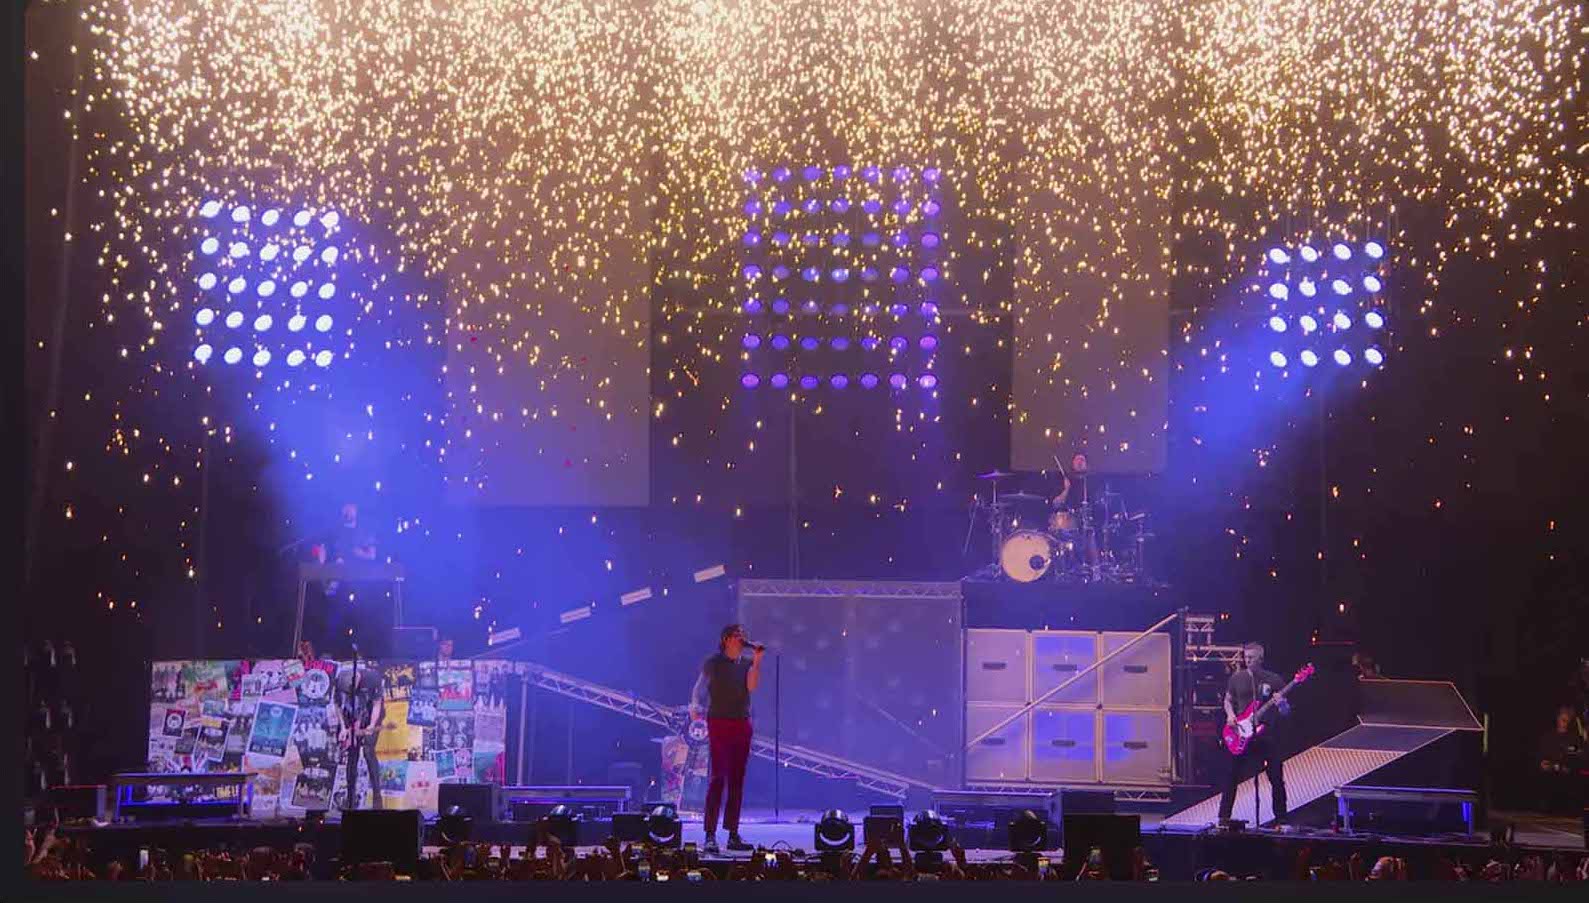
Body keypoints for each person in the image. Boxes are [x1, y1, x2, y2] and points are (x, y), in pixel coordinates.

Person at [689, 624, 764, 854]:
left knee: (737, 779)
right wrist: (695, 704)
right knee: (718, 777)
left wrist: (757, 661)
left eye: (743, 635)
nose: (741, 639)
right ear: (726, 640)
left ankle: (733, 833)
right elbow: (700, 686)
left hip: (741, 722)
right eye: (736, 635)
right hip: (719, 721)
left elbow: (752, 687)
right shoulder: (714, 662)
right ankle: (710, 834)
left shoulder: (746, 663)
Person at [1218, 642, 1291, 826]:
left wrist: (1282, 704)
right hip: (1241, 733)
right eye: (1246, 657)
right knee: (1231, 776)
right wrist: (1230, 715)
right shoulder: (1237, 678)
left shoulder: (1274, 680)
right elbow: (1228, 700)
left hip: (1265, 735)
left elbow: (1286, 712)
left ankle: (1281, 819)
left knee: (1276, 777)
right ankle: (1223, 817)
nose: (1247, 660)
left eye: (1251, 657)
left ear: (1260, 659)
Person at [339, 663, 385, 810]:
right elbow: (338, 706)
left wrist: (371, 724)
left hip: (371, 714)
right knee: (352, 753)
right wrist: (343, 727)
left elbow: (377, 704)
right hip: (352, 715)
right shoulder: (340, 681)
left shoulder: (373, 678)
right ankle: (350, 796)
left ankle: (377, 795)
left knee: (368, 751)